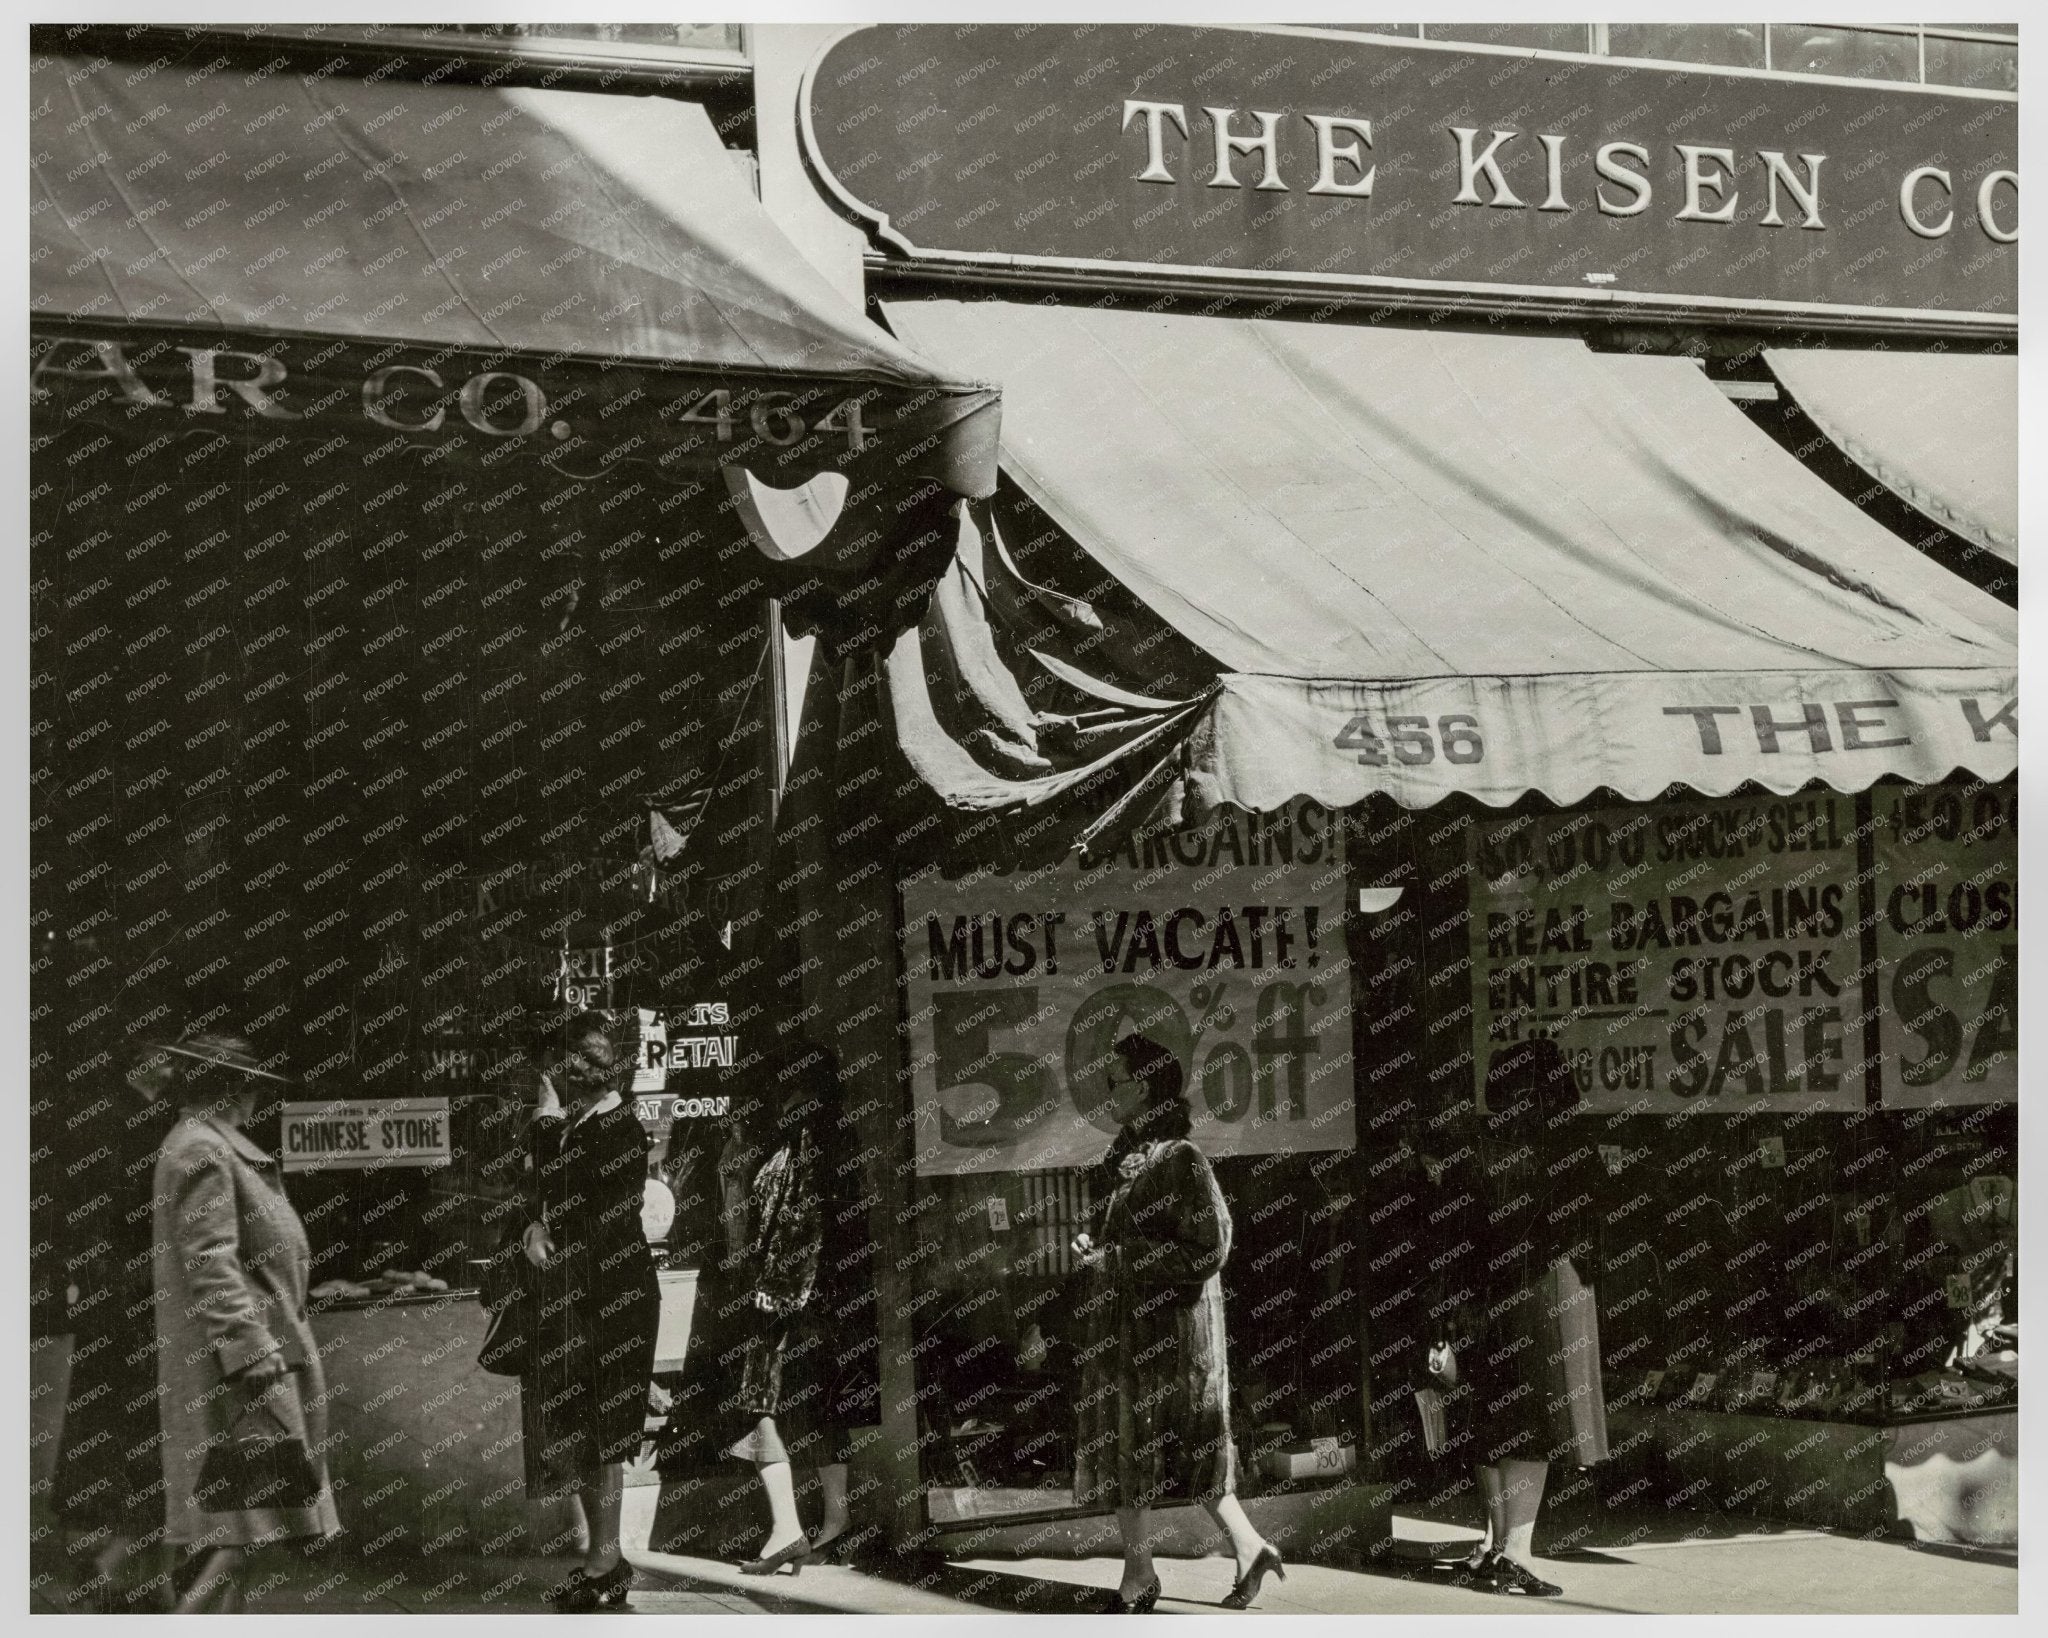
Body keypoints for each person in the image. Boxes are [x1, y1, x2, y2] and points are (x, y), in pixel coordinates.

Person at [1070, 1033, 1282, 1613]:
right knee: (1133, 1453)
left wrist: (1116, 1259)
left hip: (1171, 1342)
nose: (1105, 1091)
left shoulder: (1184, 1162)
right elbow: (1120, 1234)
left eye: (1113, 1080)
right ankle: (1225, 1553)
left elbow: (1208, 1249)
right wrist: (1096, 1239)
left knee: (1181, 1454)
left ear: (1142, 1088)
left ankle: (1148, 1575)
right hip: (1127, 1335)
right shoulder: (1121, 1159)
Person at [151, 1032, 338, 1612]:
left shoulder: (209, 1145)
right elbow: (210, 1262)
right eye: (252, 1086)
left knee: (249, 1529)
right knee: (244, 1524)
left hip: (249, 1362)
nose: (257, 1098)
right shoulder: (201, 1150)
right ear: (232, 1090)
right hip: (239, 1374)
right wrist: (250, 1352)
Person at [1426, 1034, 1606, 1599]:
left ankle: (1495, 1542)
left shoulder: (1479, 1147)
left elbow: (1456, 1227)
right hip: (1548, 1290)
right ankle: (1518, 1554)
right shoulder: (1567, 1142)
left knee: (1490, 1418)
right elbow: (1590, 1217)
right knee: (1535, 1424)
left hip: (1486, 1296)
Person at [521, 1010, 660, 1611]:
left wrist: (546, 1123)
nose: (564, 1072)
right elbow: (559, 1198)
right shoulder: (589, 1124)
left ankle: (605, 1563)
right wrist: (538, 1227)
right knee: (584, 1429)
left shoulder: (614, 1130)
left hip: (614, 1302)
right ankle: (604, 1559)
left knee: (603, 1434)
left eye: (574, 1062)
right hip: (591, 1298)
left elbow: (581, 1205)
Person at [53, 1037, 180, 1611]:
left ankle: (120, 1546)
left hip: (124, 1283)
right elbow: (101, 1202)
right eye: (164, 1058)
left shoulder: (141, 1116)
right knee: (134, 1411)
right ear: (140, 1066)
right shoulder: (126, 1121)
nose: (174, 1067)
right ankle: (125, 1551)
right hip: (128, 1285)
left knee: (121, 1414)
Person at [726, 1043, 856, 1575]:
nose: (782, 1099)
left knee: (762, 1402)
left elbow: (803, 1225)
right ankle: (833, 1520)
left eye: (792, 1088)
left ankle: (788, 1528)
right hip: (812, 1298)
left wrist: (775, 1289)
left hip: (788, 1297)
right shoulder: (821, 1139)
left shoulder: (808, 1145)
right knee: (819, 1405)